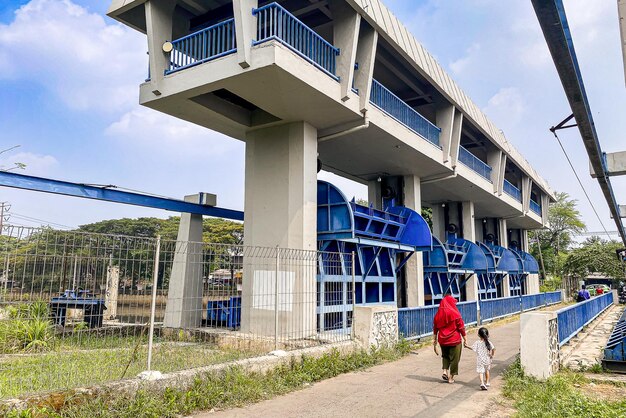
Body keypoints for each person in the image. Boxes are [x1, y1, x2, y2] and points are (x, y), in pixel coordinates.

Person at [433, 293, 467, 384]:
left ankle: (445, 371)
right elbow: (461, 327)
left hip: (442, 340)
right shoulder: (455, 313)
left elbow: (435, 328)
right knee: (455, 359)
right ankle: (451, 377)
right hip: (454, 340)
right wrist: (465, 338)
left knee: (445, 356)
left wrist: (435, 340)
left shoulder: (437, 315)